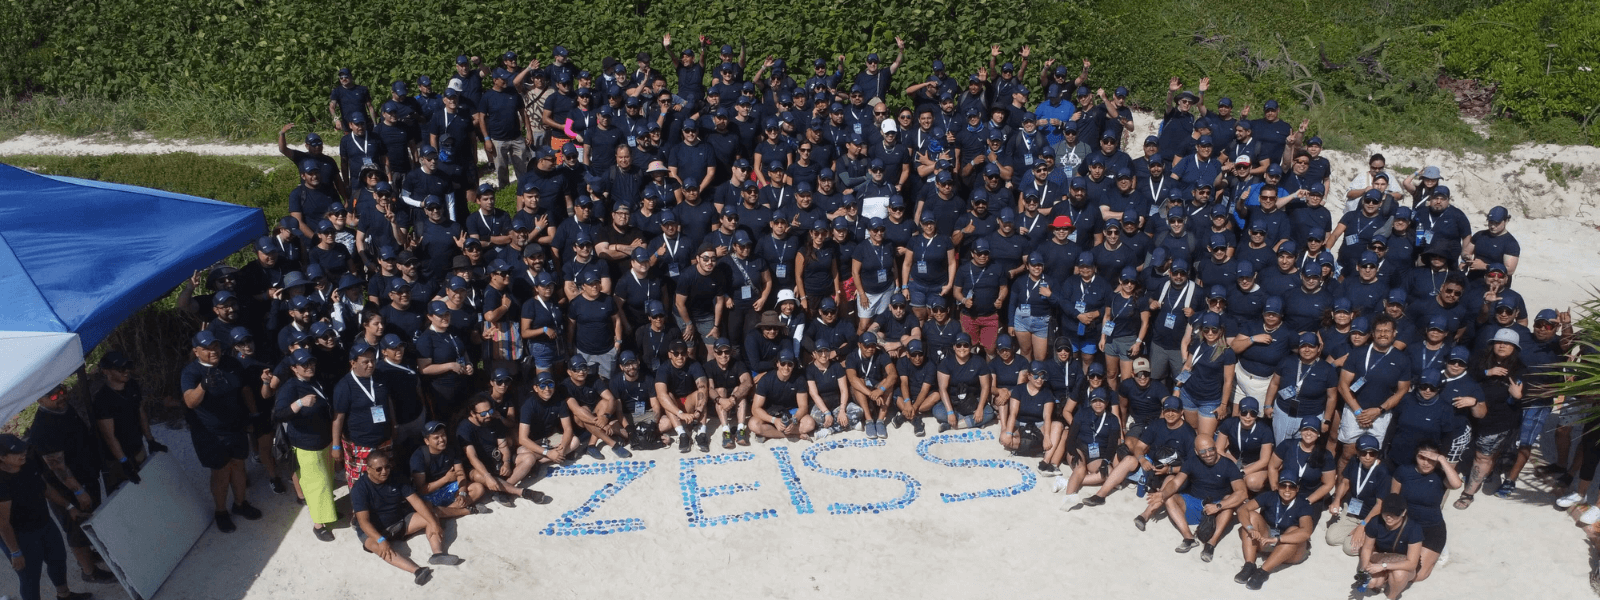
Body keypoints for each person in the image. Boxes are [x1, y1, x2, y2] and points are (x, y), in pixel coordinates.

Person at [179, 331, 262, 533]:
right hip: (210, 435)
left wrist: (254, 414)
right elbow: (190, 401)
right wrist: (203, 386)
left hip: (236, 427)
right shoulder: (191, 372)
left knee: (239, 466)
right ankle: (221, 512)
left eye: (215, 346)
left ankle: (241, 504)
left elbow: (245, 390)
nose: (213, 351)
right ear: (196, 351)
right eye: (207, 348)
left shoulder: (231, 364)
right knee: (221, 473)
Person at [0, 434, 94, 600]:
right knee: (30, 577)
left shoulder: (27, 463)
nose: (23, 453)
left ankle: (64, 596)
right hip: (21, 535)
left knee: (58, 559)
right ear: (2, 458)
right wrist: (15, 552)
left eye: (23, 449)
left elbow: (45, 489)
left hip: (44, 523)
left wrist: (69, 506)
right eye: (16, 453)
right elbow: (2, 523)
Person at [350, 452, 461, 587]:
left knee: (431, 516)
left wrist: (433, 522)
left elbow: (416, 501)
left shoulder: (397, 477)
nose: (384, 471)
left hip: (400, 520)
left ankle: (437, 554)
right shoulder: (360, 489)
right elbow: (363, 521)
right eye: (379, 469)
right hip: (375, 531)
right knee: (378, 548)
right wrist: (380, 539)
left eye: (387, 467)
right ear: (368, 469)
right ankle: (417, 570)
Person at [271, 348, 339, 541]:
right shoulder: (290, 387)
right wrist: (300, 403)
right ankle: (319, 525)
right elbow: (279, 413)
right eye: (304, 364)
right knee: (316, 485)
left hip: (324, 440)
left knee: (328, 480)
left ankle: (329, 513)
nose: (310, 367)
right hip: (306, 444)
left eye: (312, 363)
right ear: (294, 368)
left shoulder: (315, 381)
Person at [1166, 436, 1246, 561]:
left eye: (1211, 449)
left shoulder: (1228, 465)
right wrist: (1162, 494)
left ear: (1216, 447)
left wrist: (1218, 506)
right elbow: (1176, 483)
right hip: (1194, 501)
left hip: (1216, 507)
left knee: (1229, 502)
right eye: (1203, 451)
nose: (1208, 454)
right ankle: (1189, 537)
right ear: (1197, 452)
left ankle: (1211, 543)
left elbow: (1242, 493)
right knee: (1169, 497)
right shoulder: (1191, 461)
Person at [92, 351, 167, 484]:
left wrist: (150, 440)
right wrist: (124, 462)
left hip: (137, 447)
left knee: (149, 484)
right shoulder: (102, 400)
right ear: (106, 371)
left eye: (128, 367)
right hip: (116, 459)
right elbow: (109, 436)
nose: (126, 371)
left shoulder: (132, 385)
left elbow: (140, 411)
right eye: (120, 369)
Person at [458, 395, 550, 504]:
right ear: (473, 414)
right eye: (483, 413)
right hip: (478, 467)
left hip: (496, 460)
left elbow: (503, 446)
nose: (488, 415)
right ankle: (522, 492)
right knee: (478, 475)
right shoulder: (464, 429)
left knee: (529, 458)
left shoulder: (493, 420)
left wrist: (506, 462)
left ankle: (502, 491)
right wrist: (487, 476)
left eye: (490, 411)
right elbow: (472, 457)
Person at [1391, 442, 1462, 583]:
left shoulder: (1440, 475)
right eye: (1422, 458)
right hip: (1407, 526)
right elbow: (1393, 498)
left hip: (1431, 528)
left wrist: (1441, 459)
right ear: (1415, 457)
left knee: (1417, 576)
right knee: (1399, 568)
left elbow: (1457, 484)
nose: (1426, 463)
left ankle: (1435, 553)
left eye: (1431, 459)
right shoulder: (1404, 471)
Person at [1234, 474, 1315, 590]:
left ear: (1297, 489)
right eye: (1283, 486)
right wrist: (1250, 528)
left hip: (1292, 550)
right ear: (1278, 486)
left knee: (1294, 530)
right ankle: (1249, 565)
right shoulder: (1270, 496)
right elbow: (1243, 509)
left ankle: (1263, 572)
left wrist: (1278, 539)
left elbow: (1306, 532)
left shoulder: (1304, 504)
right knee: (1251, 516)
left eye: (1291, 486)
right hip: (1269, 540)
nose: (1287, 490)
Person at [1325, 434, 1391, 556]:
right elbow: (1345, 482)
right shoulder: (1354, 462)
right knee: (1331, 538)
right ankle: (1353, 530)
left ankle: (1373, 538)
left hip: (1370, 517)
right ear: (1357, 452)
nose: (1367, 457)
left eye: (1372, 453)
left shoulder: (1384, 472)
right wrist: (1336, 500)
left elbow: (1379, 505)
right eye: (1363, 453)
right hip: (1352, 510)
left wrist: (1362, 526)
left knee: (1349, 549)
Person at [410, 420, 488, 518]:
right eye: (436, 437)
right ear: (427, 441)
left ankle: (444, 512)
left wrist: (462, 493)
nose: (442, 439)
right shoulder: (418, 457)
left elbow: (460, 473)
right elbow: (421, 489)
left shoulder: (451, 449)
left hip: (450, 488)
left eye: (443, 435)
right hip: (430, 494)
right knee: (424, 506)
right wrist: (446, 479)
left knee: (478, 488)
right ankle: (462, 511)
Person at [1176, 312, 1235, 436]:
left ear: (1221, 330)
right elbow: (1187, 367)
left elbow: (1228, 381)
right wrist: (1177, 388)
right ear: (1202, 330)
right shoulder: (1198, 344)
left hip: (1210, 400)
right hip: (1189, 395)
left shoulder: (1227, 352)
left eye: (1214, 329)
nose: (1210, 333)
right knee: (1192, 431)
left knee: (1205, 437)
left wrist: (1223, 405)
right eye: (1206, 329)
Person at [1357, 495, 1425, 600]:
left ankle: (1391, 596)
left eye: (1395, 514)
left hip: (1403, 562)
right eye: (1386, 512)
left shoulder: (1414, 528)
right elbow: (1367, 548)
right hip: (1383, 556)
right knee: (1370, 582)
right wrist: (1364, 570)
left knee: (1399, 574)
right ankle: (1385, 580)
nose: (1389, 517)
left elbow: (1411, 564)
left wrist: (1383, 566)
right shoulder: (1375, 522)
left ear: (1403, 513)